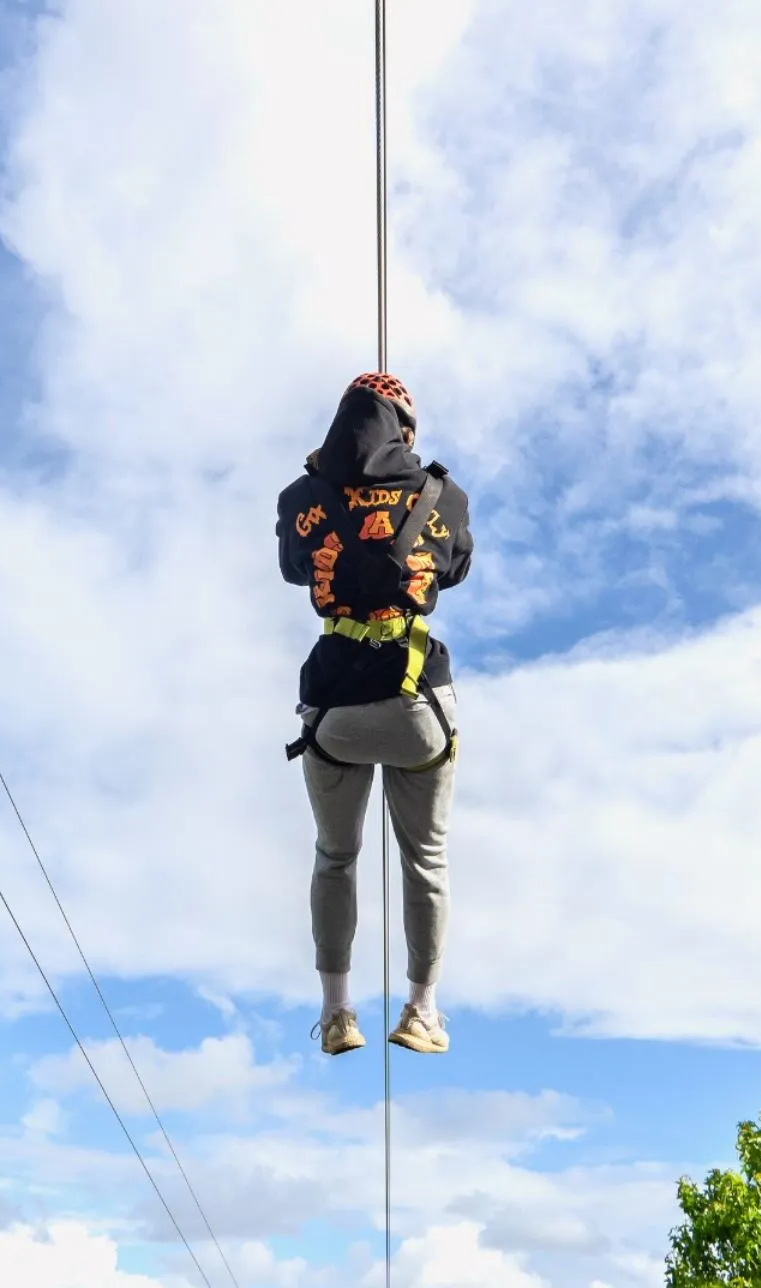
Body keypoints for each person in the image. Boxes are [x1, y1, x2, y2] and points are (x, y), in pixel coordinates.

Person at [276, 372, 474, 1056]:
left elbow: (295, 570)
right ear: (405, 431)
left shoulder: (300, 497)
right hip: (419, 699)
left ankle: (337, 1012)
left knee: (336, 857)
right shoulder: (446, 497)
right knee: (426, 857)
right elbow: (454, 569)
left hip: (335, 709)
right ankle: (421, 1010)